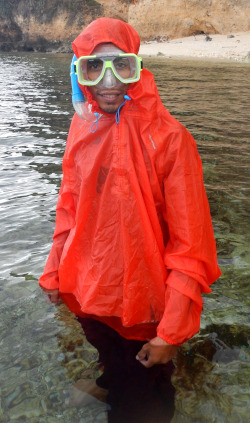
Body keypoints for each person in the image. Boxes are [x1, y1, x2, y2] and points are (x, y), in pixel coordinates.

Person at [39, 17, 221, 372]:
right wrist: (53, 271)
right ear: (79, 73)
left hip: (145, 307)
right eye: (94, 67)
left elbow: (191, 245)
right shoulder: (81, 126)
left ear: (137, 66)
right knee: (109, 360)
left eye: (121, 65)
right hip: (87, 293)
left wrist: (170, 333)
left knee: (143, 398)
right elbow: (69, 207)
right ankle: (107, 381)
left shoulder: (170, 139)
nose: (109, 83)